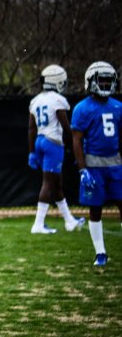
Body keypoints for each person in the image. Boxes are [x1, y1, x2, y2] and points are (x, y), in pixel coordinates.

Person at [71, 61, 122, 267]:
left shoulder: (118, 106)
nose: (105, 84)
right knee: (95, 208)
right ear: (90, 81)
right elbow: (76, 140)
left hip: (116, 163)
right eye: (101, 80)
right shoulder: (82, 108)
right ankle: (100, 253)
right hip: (93, 166)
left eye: (108, 81)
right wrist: (82, 170)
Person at [27, 65, 85, 234]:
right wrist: (72, 147)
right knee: (48, 183)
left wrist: (32, 151)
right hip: (53, 143)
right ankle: (38, 224)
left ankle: (69, 221)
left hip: (39, 140)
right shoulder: (58, 100)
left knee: (56, 182)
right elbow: (66, 127)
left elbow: (31, 128)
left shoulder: (35, 100)